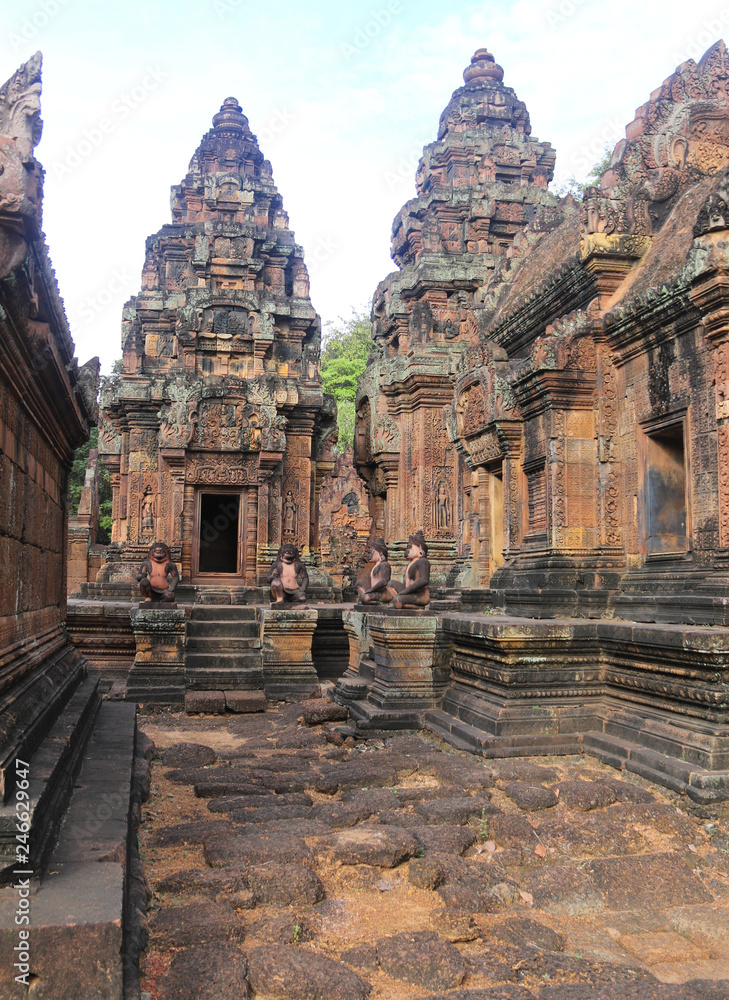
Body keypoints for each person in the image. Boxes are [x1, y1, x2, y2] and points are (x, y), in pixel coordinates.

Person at [385, 530, 430, 609]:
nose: (408, 550)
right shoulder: (412, 562)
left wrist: (406, 591)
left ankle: (415, 607)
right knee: (390, 584)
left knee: (397, 600)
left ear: (420, 548)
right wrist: (405, 592)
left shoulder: (423, 561)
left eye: (410, 547)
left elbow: (424, 580)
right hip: (410, 592)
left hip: (420, 594)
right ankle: (401, 604)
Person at [356, 538, 391, 604]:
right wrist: (370, 590)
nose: (370, 554)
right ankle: (369, 599)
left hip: (381, 592)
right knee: (358, 583)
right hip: (374, 590)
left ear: (380, 553)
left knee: (365, 598)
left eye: (373, 552)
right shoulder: (375, 566)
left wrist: (372, 590)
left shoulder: (384, 564)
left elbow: (385, 581)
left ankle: (377, 603)